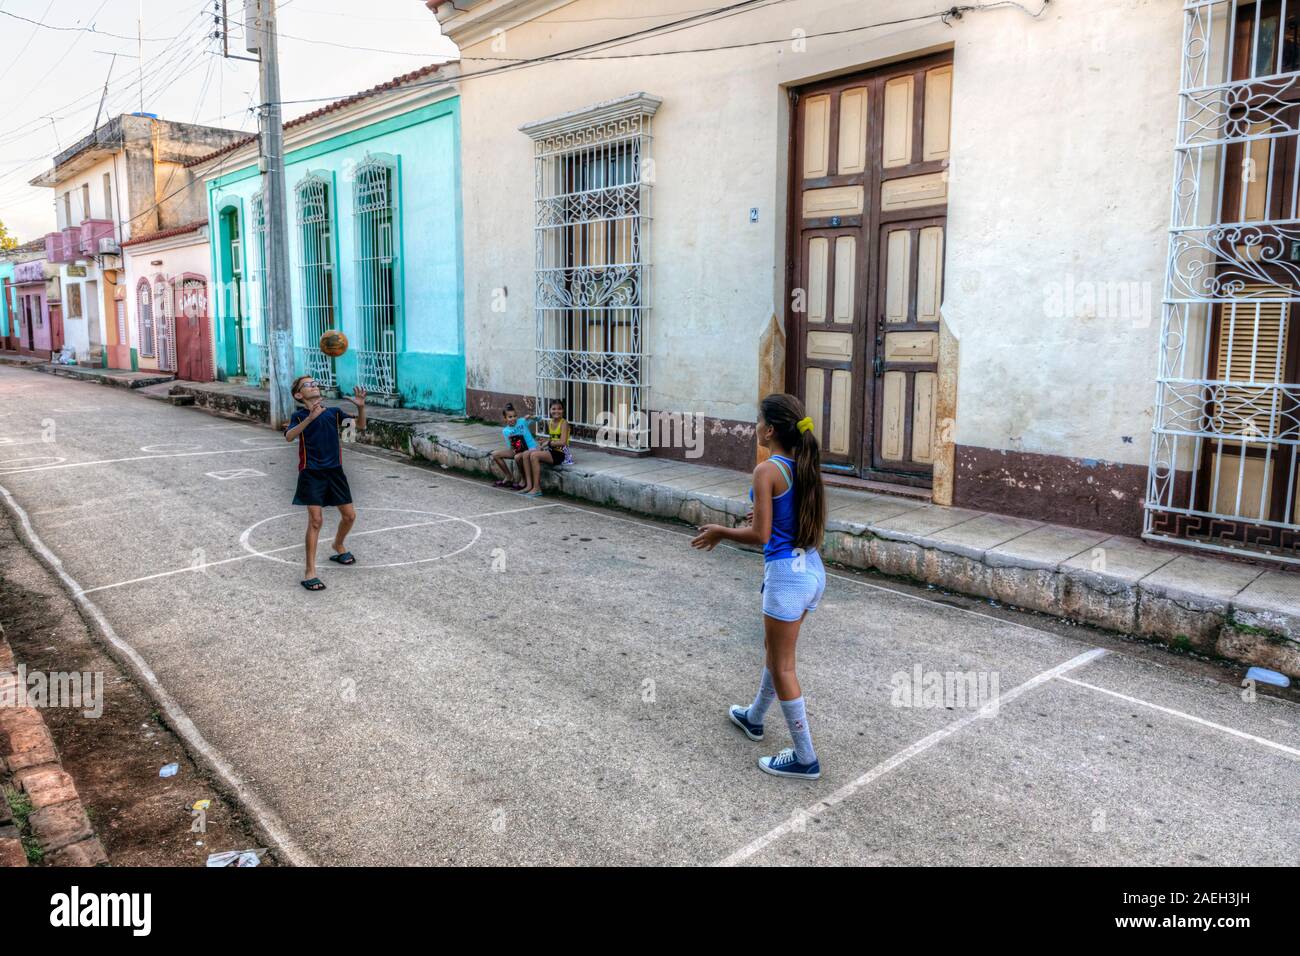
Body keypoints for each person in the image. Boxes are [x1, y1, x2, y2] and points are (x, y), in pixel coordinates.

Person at [691, 393, 827, 779]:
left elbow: (761, 534)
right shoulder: (804, 465)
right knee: (774, 651)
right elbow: (789, 517)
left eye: (757, 421)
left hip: (786, 578)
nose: (756, 427)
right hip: (811, 571)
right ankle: (753, 717)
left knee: (783, 666)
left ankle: (805, 757)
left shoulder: (766, 470)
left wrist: (721, 532)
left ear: (770, 429)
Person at [283, 376, 367, 592]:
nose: (314, 385)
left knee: (349, 516)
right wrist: (310, 418)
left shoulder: (334, 412)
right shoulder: (299, 416)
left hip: (335, 472)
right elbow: (289, 436)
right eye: (308, 384)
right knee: (316, 521)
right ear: (299, 395)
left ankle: (338, 545)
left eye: (315, 383)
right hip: (311, 473)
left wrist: (361, 409)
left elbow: (358, 428)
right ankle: (310, 571)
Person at [519, 399, 573, 497]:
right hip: (552, 451)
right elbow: (553, 439)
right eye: (554, 409)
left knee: (534, 455)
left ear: (563, 410)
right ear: (550, 410)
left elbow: (563, 442)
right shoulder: (551, 422)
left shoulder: (564, 423)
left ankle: (537, 488)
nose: (556, 411)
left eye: (559, 409)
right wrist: (544, 441)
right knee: (526, 453)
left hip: (561, 454)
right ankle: (529, 485)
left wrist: (548, 443)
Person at [490, 402, 536, 489]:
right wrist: (513, 441)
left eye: (515, 416)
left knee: (517, 457)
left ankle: (523, 479)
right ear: (505, 418)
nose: (513, 418)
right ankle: (508, 476)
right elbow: (510, 447)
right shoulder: (506, 431)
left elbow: (539, 419)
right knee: (495, 454)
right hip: (517, 449)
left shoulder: (522, 421)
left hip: (530, 448)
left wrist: (531, 417)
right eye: (510, 417)